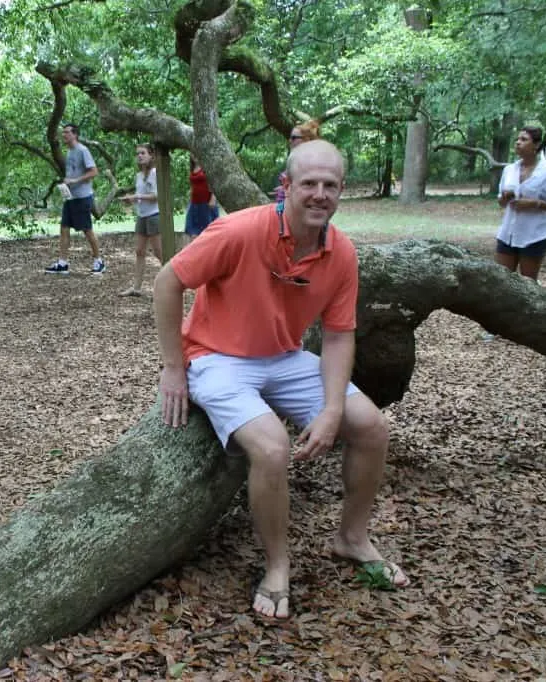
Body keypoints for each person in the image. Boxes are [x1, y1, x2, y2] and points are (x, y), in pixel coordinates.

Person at [153, 140, 409, 621]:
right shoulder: (241, 230)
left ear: (340, 192)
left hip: (286, 357)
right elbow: (168, 282)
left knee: (372, 428)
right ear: (286, 186)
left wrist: (332, 410)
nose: (319, 194)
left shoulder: (342, 253)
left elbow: (337, 338)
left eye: (329, 185)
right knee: (272, 447)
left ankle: (352, 538)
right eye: (308, 183)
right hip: (216, 356)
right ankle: (276, 566)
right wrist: (172, 366)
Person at [495, 126, 546, 281]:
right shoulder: (509, 170)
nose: (518, 142)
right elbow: (501, 202)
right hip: (507, 234)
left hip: (533, 236)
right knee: (501, 282)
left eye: (524, 139)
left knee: (528, 284)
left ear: (536, 145)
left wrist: (534, 203)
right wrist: (504, 198)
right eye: (517, 139)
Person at [45, 123, 105, 275]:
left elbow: (94, 172)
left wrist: (75, 180)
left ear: (75, 134)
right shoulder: (70, 152)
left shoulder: (82, 150)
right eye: (63, 132)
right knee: (64, 229)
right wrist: (66, 181)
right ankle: (62, 263)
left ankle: (99, 261)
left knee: (87, 230)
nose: (63, 135)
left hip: (83, 198)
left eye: (66, 132)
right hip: (70, 198)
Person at [119, 143, 163, 297]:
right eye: (138, 153)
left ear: (151, 155)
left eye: (143, 153)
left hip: (154, 216)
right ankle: (136, 288)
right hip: (142, 216)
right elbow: (142, 197)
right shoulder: (139, 176)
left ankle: (174, 282)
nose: (139, 156)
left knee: (160, 252)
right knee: (139, 251)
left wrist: (136, 196)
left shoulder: (155, 173)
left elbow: (156, 196)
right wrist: (131, 200)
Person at [273, 120, 320, 202]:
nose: (290, 141)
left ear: (307, 139)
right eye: (290, 138)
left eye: (294, 138)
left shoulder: (314, 164)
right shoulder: (293, 162)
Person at [185, 156, 219, 241]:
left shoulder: (207, 165)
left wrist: (213, 198)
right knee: (192, 232)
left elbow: (215, 182)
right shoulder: (193, 167)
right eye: (192, 153)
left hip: (206, 204)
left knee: (208, 233)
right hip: (194, 204)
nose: (194, 155)